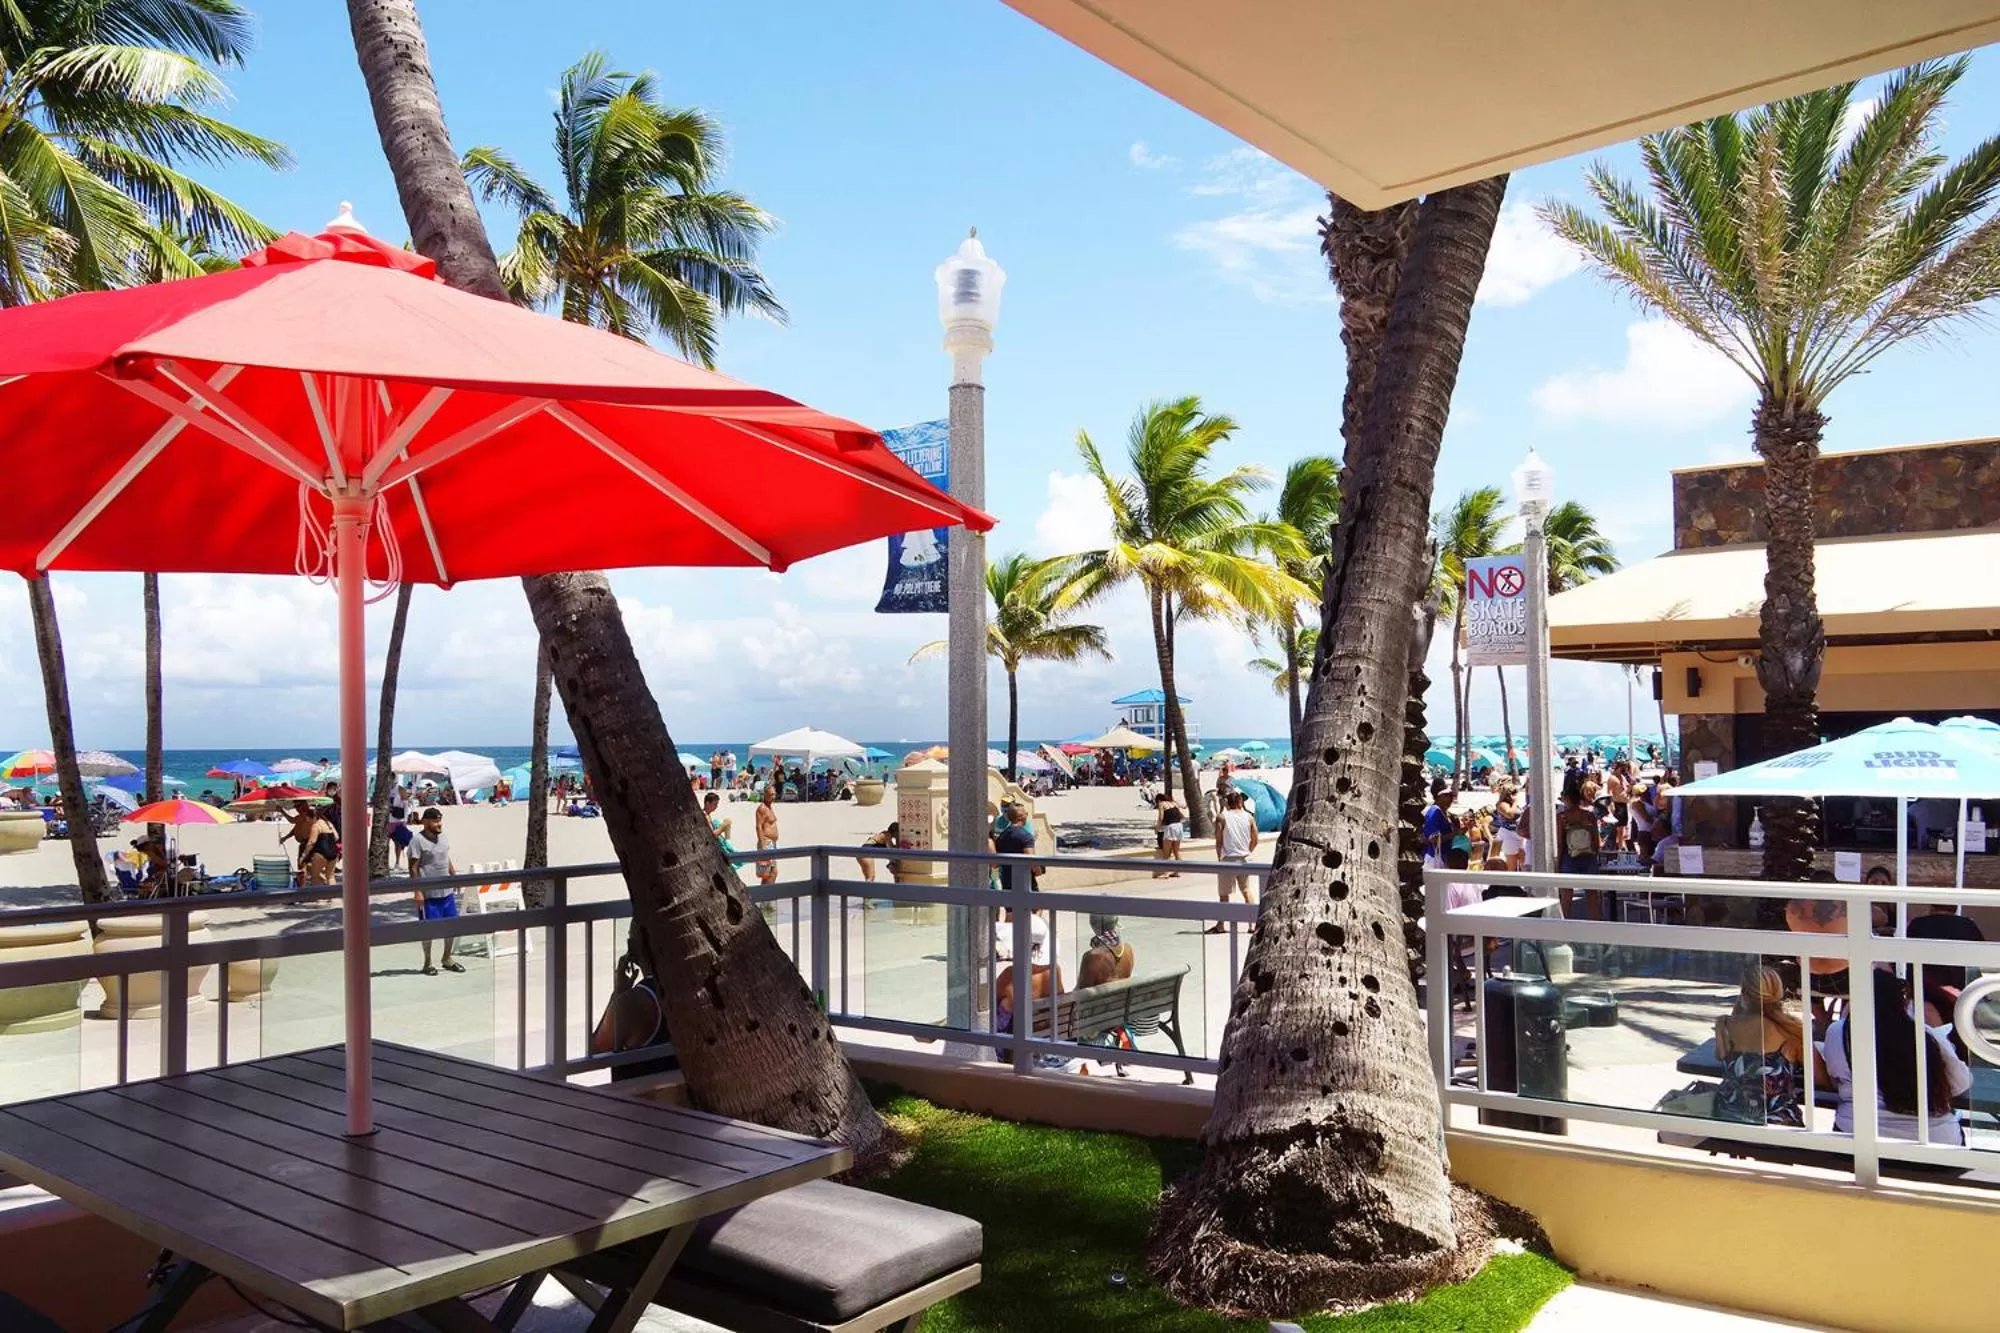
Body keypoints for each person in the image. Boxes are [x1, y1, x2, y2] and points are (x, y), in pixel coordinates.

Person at [1822, 968, 1972, 1145]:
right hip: (1933, 1141)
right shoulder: (1926, 1035)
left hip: (1858, 1136)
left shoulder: (1838, 1033)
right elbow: (1961, 1084)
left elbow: (1834, 1075)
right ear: (1902, 1001)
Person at [1714, 967, 1822, 1127]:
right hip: (1777, 1124)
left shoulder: (1724, 1025)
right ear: (1779, 993)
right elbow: (1821, 1078)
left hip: (1728, 1118)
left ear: (1743, 993)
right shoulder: (1791, 1031)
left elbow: (1720, 1055)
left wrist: (1740, 1005)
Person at [407, 807, 462, 975]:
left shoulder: (443, 837)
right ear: (425, 822)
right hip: (429, 895)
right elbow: (413, 868)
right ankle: (427, 963)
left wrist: (453, 874)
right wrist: (417, 891)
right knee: (428, 929)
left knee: (452, 926)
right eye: (435, 821)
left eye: (440, 821)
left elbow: (446, 857)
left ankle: (447, 958)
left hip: (447, 892)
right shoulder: (417, 841)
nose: (439, 824)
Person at [1209, 788, 1259, 932]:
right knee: (1246, 890)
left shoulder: (1222, 817)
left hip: (1228, 859)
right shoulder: (1249, 817)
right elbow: (1255, 839)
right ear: (1240, 802)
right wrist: (1248, 851)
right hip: (1244, 858)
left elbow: (1218, 841)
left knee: (1224, 894)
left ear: (1227, 803)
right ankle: (1252, 924)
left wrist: (1219, 858)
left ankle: (1221, 924)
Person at [1907, 901, 1986, 991]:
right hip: (1959, 984)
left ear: (1932, 908)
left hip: (1924, 984)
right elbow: (1982, 953)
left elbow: (1906, 952)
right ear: (1955, 909)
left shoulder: (1918, 923)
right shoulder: (1968, 925)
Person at [1556, 774, 1602, 918]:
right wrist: (1595, 852)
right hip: (1588, 855)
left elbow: (1560, 842)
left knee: (1566, 895)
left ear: (1567, 799)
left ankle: (1565, 925)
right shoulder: (1589, 815)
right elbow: (1596, 838)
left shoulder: (1562, 817)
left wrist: (1558, 862)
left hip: (1569, 856)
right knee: (1592, 895)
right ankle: (1597, 925)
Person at [1492, 781, 1525, 870]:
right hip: (1509, 835)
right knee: (1511, 864)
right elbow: (1510, 814)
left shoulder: (1513, 804)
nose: (1515, 795)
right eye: (1513, 793)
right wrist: (1515, 802)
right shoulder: (1501, 804)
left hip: (1519, 834)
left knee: (1524, 862)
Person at [1422, 788, 1457, 866]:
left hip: (1441, 856)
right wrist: (1454, 834)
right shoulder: (1434, 813)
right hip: (1433, 858)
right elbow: (1434, 839)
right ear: (1439, 797)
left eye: (1452, 797)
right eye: (1448, 796)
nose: (1451, 800)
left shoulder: (1442, 812)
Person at [1153, 792, 1185, 878]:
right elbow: (1182, 816)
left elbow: (1161, 817)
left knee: (1166, 853)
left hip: (1170, 827)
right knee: (1176, 851)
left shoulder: (1161, 803)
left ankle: (1166, 873)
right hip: (1179, 826)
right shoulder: (1174, 803)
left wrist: (1157, 828)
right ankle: (1177, 871)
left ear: (1158, 800)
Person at [754, 786, 780, 885]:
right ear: (765, 795)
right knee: (767, 873)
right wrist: (763, 844)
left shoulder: (769, 807)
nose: (773, 797)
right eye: (771, 795)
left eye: (774, 794)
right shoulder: (762, 808)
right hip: (766, 843)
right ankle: (765, 894)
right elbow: (758, 826)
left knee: (772, 872)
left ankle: (768, 893)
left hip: (772, 843)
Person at [388, 804, 413, 870]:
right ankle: (388, 863)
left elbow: (407, 808)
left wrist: (405, 821)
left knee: (398, 844)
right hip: (390, 821)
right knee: (386, 844)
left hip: (399, 822)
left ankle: (397, 863)